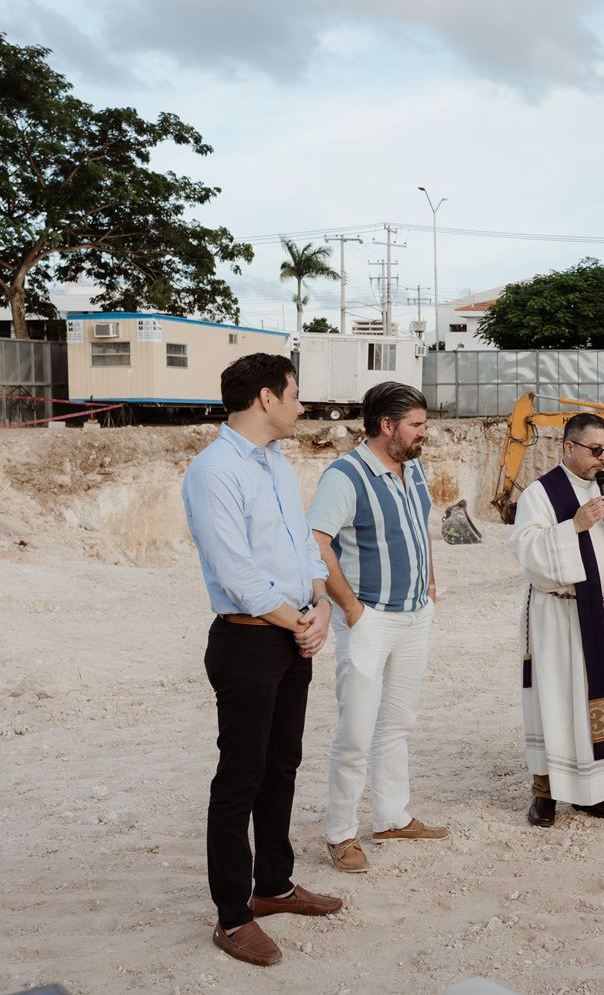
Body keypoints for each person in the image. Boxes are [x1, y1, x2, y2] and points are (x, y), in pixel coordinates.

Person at [181, 353, 343, 968]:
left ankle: (274, 886)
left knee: (283, 766)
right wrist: (294, 619)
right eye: (296, 394)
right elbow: (235, 569)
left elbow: (301, 544)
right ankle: (232, 917)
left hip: (290, 632)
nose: (303, 406)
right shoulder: (213, 470)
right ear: (267, 399)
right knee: (239, 780)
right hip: (248, 639)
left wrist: (320, 605)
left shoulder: (275, 461)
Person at [308, 381, 447, 874]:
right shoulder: (345, 476)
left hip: (414, 616)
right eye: (416, 425)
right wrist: (350, 608)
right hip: (368, 618)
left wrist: (429, 579)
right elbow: (317, 544)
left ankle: (391, 817)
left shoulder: (414, 468)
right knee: (356, 731)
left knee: (398, 723)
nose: (424, 433)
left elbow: (420, 524)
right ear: (386, 426)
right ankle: (340, 833)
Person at [511, 413, 604, 827]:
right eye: (595, 450)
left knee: (601, 701)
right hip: (559, 612)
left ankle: (595, 791)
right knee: (556, 699)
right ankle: (546, 792)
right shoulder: (540, 493)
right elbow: (526, 550)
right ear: (569, 447)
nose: (603, 458)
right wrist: (574, 526)